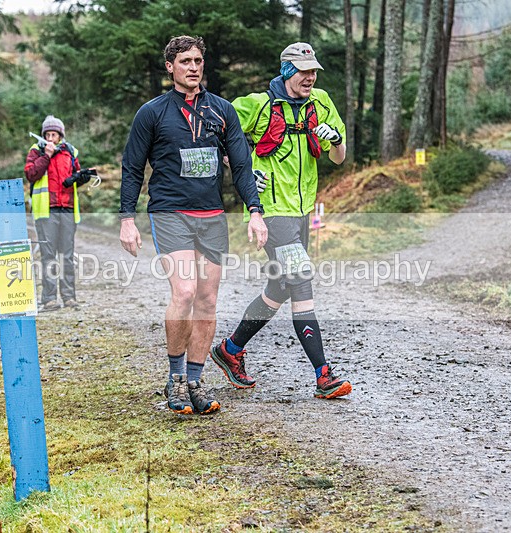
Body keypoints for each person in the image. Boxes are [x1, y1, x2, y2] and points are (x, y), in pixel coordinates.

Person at [120, 36, 268, 415]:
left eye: (198, 60)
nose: (193, 67)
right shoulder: (151, 113)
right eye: (185, 60)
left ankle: (197, 381)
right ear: (170, 67)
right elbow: (133, 168)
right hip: (170, 213)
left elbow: (241, 164)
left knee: (207, 299)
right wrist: (127, 220)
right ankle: (175, 379)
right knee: (184, 292)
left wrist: (255, 210)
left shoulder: (221, 111)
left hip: (212, 216)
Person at [211, 42, 353, 399]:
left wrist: (335, 140)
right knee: (301, 281)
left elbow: (340, 157)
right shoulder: (259, 105)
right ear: (287, 70)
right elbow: (216, 130)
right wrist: (240, 167)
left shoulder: (320, 102)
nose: (311, 77)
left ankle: (230, 349)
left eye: (313, 70)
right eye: (304, 70)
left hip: (302, 210)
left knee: (279, 288)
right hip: (271, 211)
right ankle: (324, 375)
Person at [25, 115, 97, 311]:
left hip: (68, 210)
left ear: (60, 135)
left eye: (54, 134)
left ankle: (69, 297)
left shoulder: (70, 151)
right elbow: (31, 174)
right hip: (45, 212)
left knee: (67, 256)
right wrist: (46, 156)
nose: (50, 138)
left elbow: (75, 177)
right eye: (47, 134)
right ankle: (48, 299)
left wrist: (82, 177)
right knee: (48, 256)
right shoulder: (36, 151)